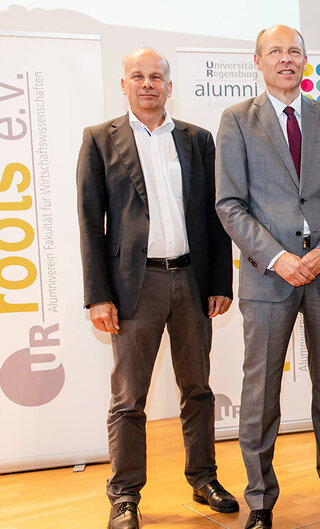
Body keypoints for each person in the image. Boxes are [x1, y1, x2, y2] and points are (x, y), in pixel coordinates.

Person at [77, 47, 237, 529]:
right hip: (133, 287)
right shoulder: (99, 140)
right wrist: (98, 295)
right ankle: (125, 496)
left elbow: (215, 216)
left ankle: (204, 478)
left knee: (198, 389)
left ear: (169, 85)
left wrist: (219, 281)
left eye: (156, 77)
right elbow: (90, 223)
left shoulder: (197, 139)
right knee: (129, 399)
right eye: (138, 76)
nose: (147, 84)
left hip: (191, 280)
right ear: (124, 84)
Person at [215, 25, 320, 529]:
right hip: (268, 278)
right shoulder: (237, 121)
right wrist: (278, 257)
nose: (286, 58)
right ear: (258, 61)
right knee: (260, 396)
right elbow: (229, 205)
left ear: (304, 61)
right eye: (275, 51)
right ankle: (260, 500)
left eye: (294, 51)